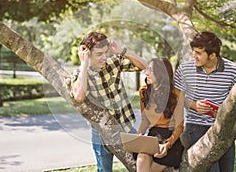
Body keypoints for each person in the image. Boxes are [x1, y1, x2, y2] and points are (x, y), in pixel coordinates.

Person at [66, 31, 146, 172]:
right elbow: (79, 96)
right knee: (104, 170)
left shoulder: (114, 62)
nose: (104, 57)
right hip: (101, 133)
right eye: (99, 54)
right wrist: (84, 64)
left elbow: (143, 66)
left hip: (126, 126)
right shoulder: (80, 74)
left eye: (106, 52)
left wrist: (122, 51)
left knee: (144, 162)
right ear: (88, 53)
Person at [174, 31, 236, 172]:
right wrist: (193, 105)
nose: (194, 56)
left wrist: (224, 112)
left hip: (223, 128)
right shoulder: (185, 69)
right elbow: (176, 97)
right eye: (194, 51)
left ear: (212, 55)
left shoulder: (233, 70)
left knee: (226, 169)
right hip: (196, 128)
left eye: (199, 53)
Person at [136, 58, 184, 172]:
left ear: (161, 73)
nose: (147, 73)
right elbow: (144, 121)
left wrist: (167, 144)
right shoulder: (143, 92)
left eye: (151, 70)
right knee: (142, 158)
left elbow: (179, 126)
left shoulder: (177, 94)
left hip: (171, 138)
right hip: (153, 136)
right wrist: (138, 136)